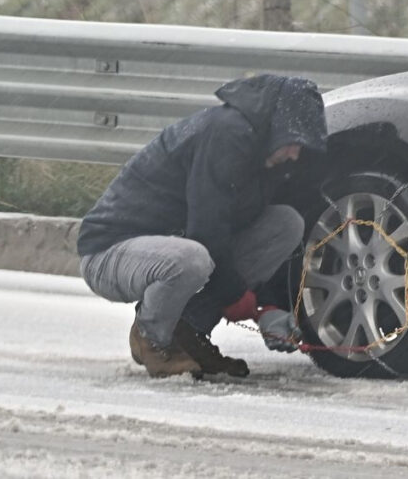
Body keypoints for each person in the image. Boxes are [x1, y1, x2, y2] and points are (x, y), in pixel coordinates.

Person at [76, 74, 327, 378]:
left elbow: (237, 238)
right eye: (294, 142)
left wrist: (270, 306)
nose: (295, 154)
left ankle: (187, 333)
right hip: (110, 251)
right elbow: (208, 231)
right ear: (277, 127)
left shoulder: (265, 156)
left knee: (286, 223)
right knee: (192, 259)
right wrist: (248, 307)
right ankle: (151, 337)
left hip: (172, 246)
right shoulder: (226, 134)